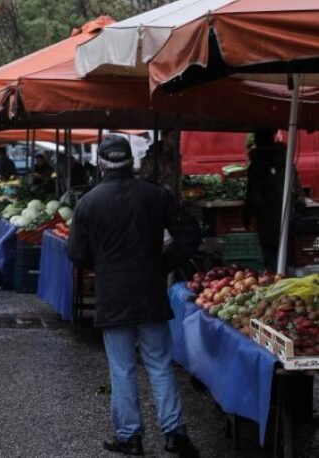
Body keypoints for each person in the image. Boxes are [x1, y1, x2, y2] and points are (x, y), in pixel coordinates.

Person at [67, 135, 199, 457]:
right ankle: (175, 435)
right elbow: (190, 234)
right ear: (131, 161)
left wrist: (103, 263)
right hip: (150, 291)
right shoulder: (157, 195)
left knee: (122, 368)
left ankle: (130, 437)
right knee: (159, 365)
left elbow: (76, 253)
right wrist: (163, 262)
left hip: (113, 296)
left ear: (100, 163)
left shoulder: (88, 202)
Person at [243, 129, 303, 272]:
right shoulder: (285, 160)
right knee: (286, 253)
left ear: (257, 141)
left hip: (268, 216)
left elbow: (253, 194)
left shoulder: (258, 165)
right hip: (289, 215)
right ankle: (284, 278)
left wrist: (247, 215)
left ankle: (274, 282)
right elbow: (297, 189)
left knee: (270, 256)